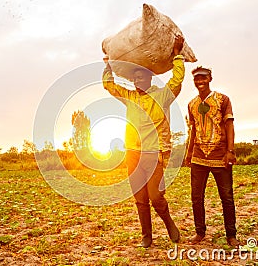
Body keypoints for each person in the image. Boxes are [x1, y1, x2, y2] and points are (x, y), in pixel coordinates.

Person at [102, 35, 185, 248]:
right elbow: (109, 86)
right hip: (132, 154)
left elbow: (177, 80)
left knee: (155, 196)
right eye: (135, 79)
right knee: (140, 199)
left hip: (155, 153)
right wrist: (108, 65)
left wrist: (177, 54)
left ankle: (168, 223)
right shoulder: (130, 97)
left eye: (141, 78)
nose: (137, 81)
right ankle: (146, 236)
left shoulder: (162, 96)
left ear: (149, 78)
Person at [184, 66, 239, 248]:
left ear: (210, 78)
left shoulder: (223, 99)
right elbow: (193, 130)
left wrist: (230, 150)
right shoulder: (191, 104)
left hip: (220, 156)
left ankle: (231, 235)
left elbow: (229, 125)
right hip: (199, 157)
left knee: (227, 197)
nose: (200, 82)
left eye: (203, 78)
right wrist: (189, 152)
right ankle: (200, 232)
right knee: (196, 197)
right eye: (197, 79)